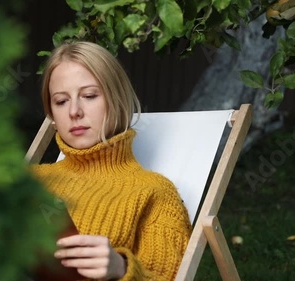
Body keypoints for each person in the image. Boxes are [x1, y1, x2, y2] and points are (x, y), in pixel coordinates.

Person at [30, 41, 192, 280]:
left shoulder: (155, 192)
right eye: (61, 101)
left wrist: (122, 268)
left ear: (117, 100)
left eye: (89, 95)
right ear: (52, 115)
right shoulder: (31, 180)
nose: (74, 111)